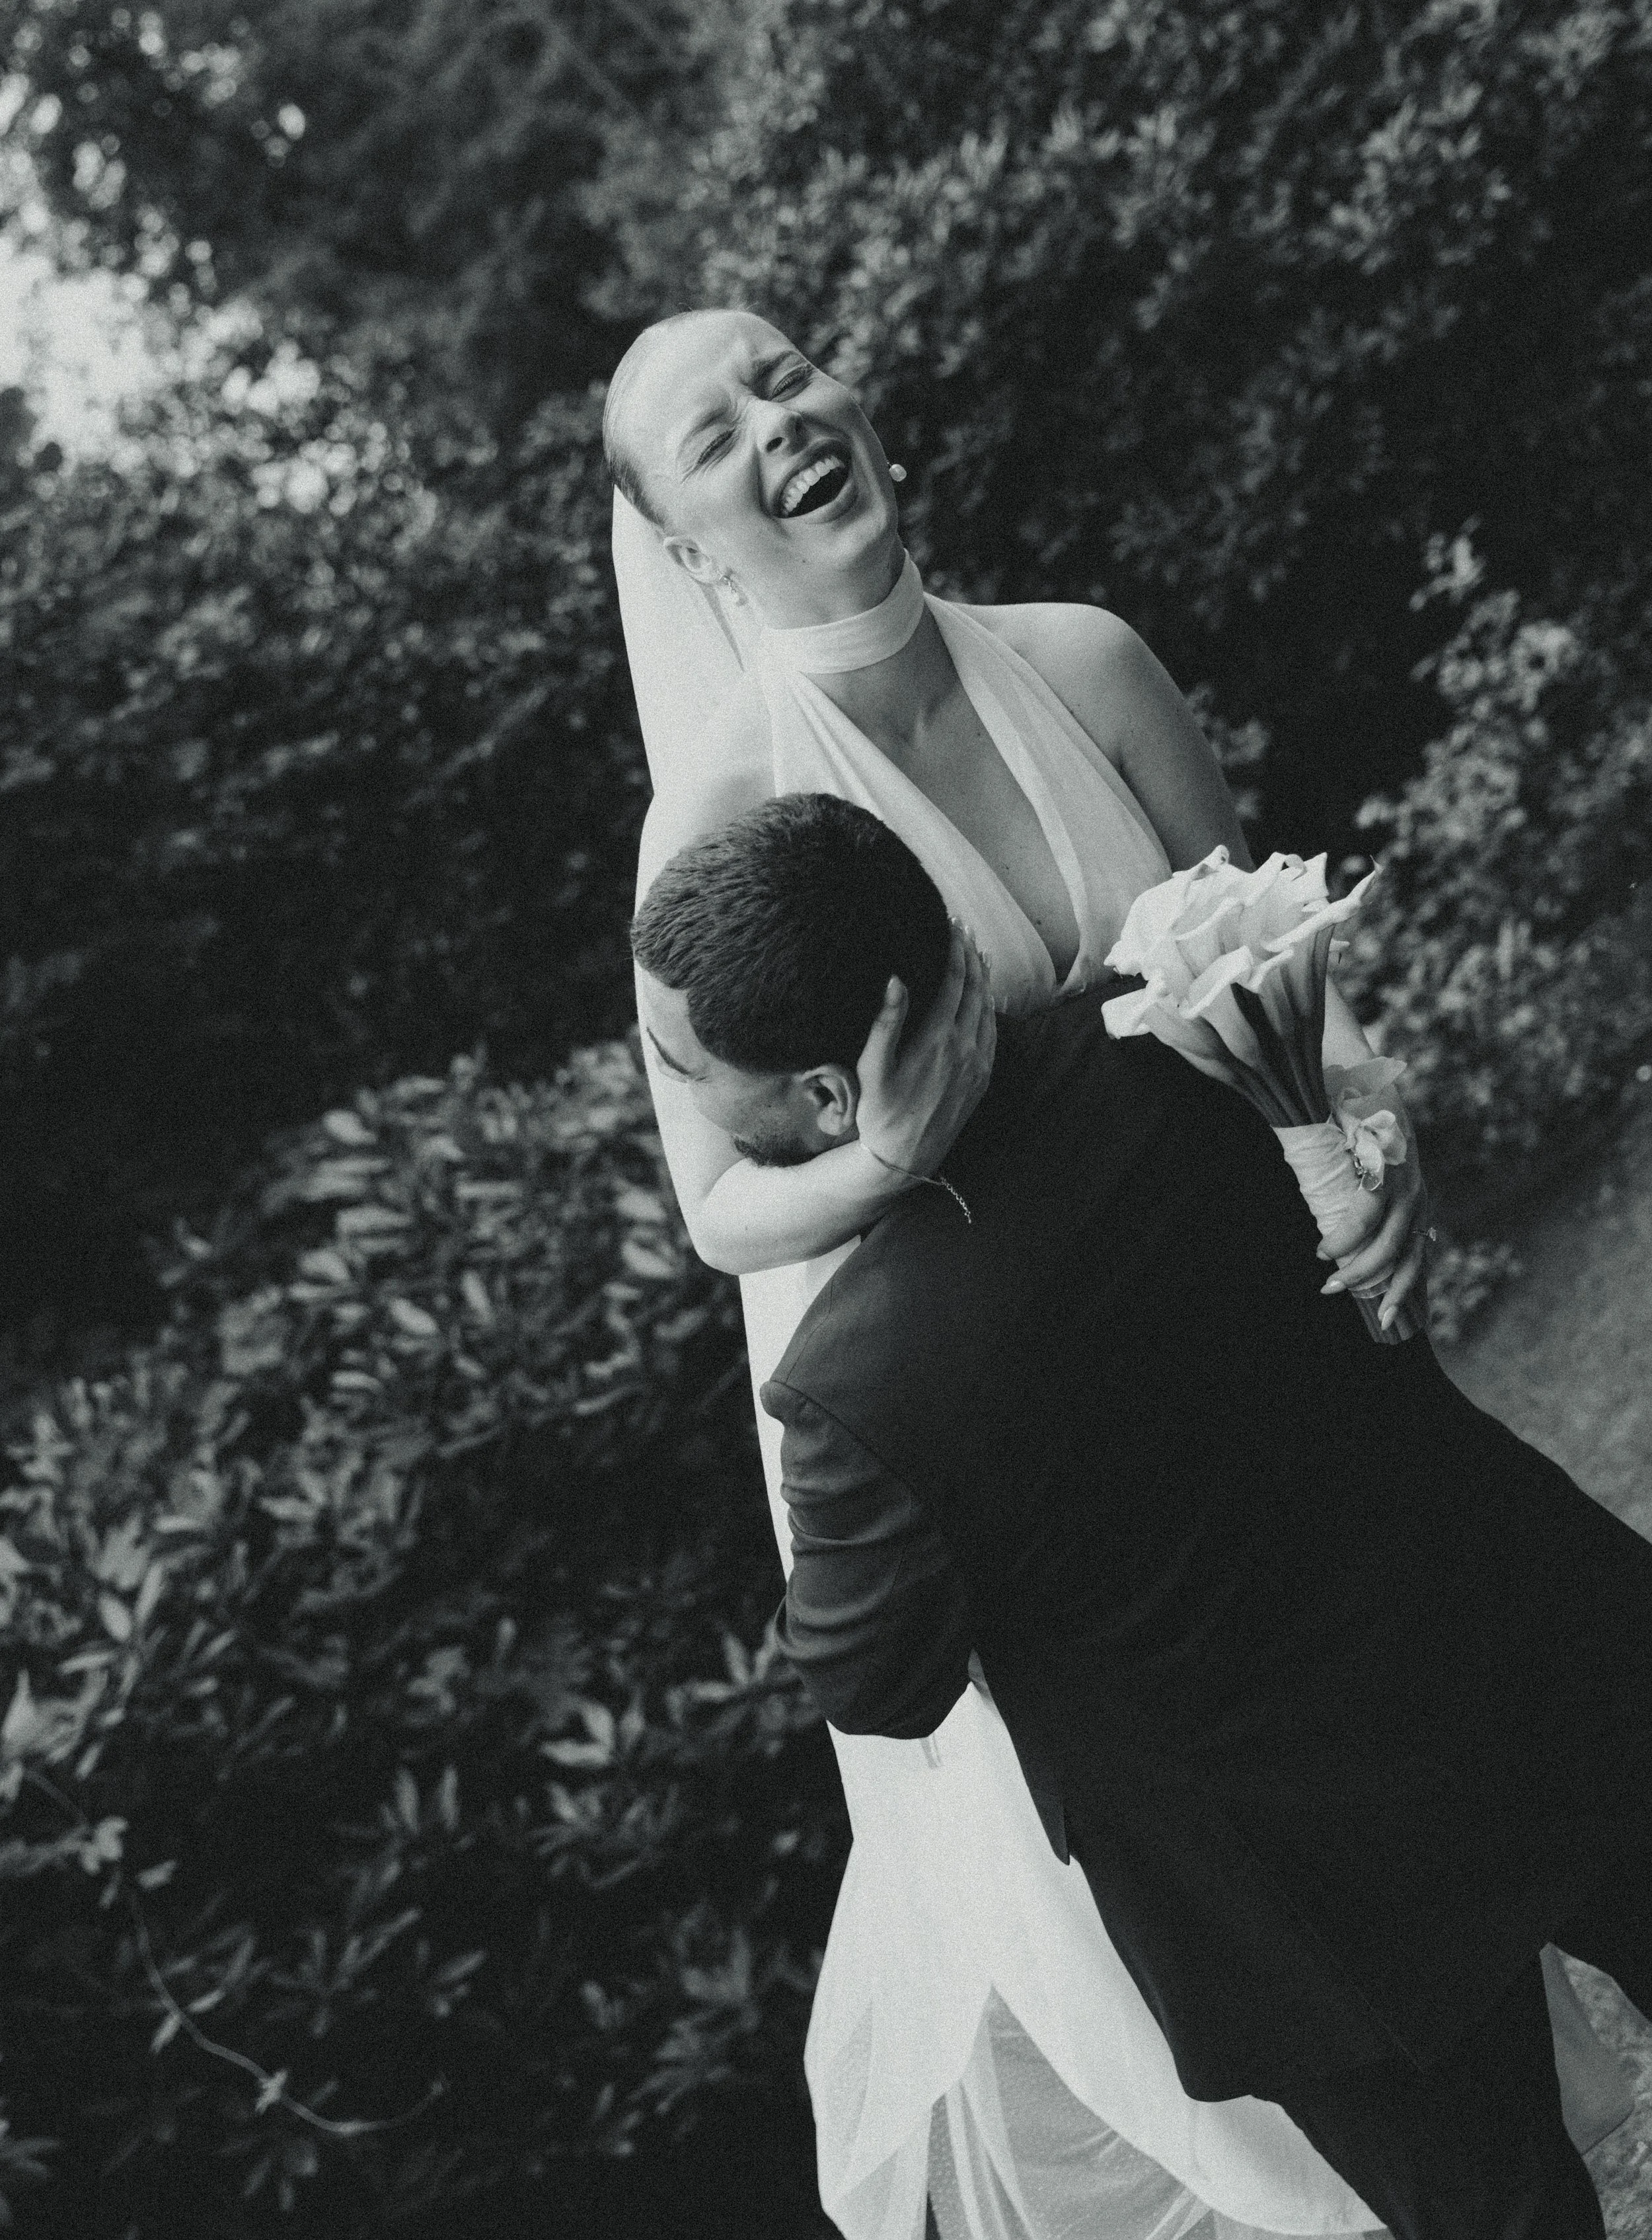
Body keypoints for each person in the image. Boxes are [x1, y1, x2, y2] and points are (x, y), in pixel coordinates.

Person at [606, 307, 1629, 2238]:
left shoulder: (1080, 659)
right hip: (1130, 1533)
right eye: (712, 434)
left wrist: (1365, 1138)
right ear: (683, 551)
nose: (778, 419)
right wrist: (895, 1156)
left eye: (784, 372)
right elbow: (719, 1205)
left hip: (1324, 1399)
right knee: (1451, 2108)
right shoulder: (723, 817)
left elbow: (1269, 967)